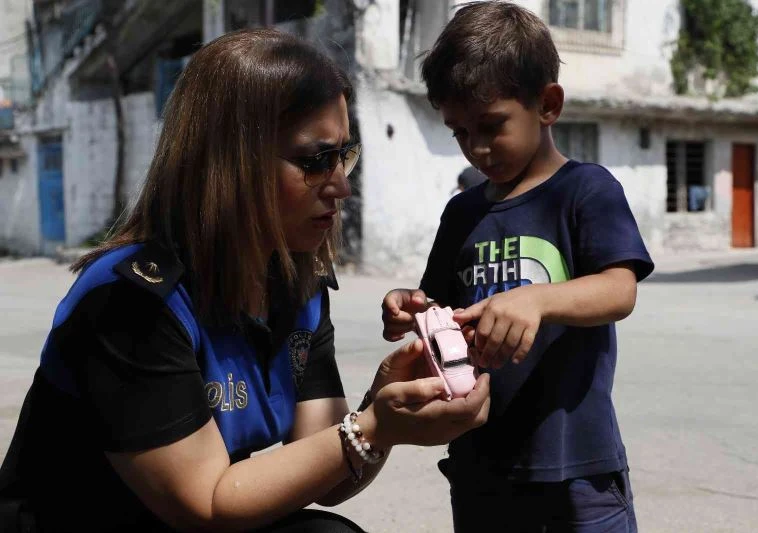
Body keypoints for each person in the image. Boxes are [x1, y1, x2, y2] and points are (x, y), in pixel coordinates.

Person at [0, 28, 490, 533]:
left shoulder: (297, 287)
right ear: (231, 163)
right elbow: (207, 504)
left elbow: (324, 477)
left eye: (344, 155)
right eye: (316, 160)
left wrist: (384, 402)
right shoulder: (132, 302)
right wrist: (373, 426)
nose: (341, 185)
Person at [381, 2, 654, 532]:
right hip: (482, 466)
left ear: (547, 104)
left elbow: (619, 289)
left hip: (576, 465)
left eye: (491, 125)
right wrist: (413, 308)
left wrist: (537, 298)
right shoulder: (463, 212)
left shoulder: (585, 190)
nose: (476, 148)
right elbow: (441, 304)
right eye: (459, 131)